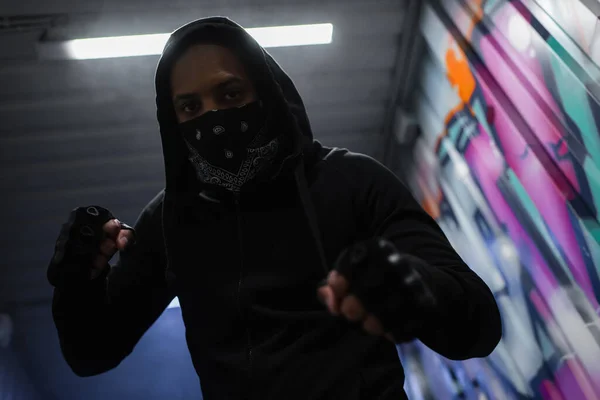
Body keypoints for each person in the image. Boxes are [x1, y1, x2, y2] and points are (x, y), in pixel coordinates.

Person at [47, 17, 502, 400]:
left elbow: (478, 325)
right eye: (190, 107)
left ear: (267, 93)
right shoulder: (172, 221)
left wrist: (413, 286)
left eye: (229, 95)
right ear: (173, 121)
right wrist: (78, 282)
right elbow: (92, 353)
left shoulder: (352, 182)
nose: (213, 119)